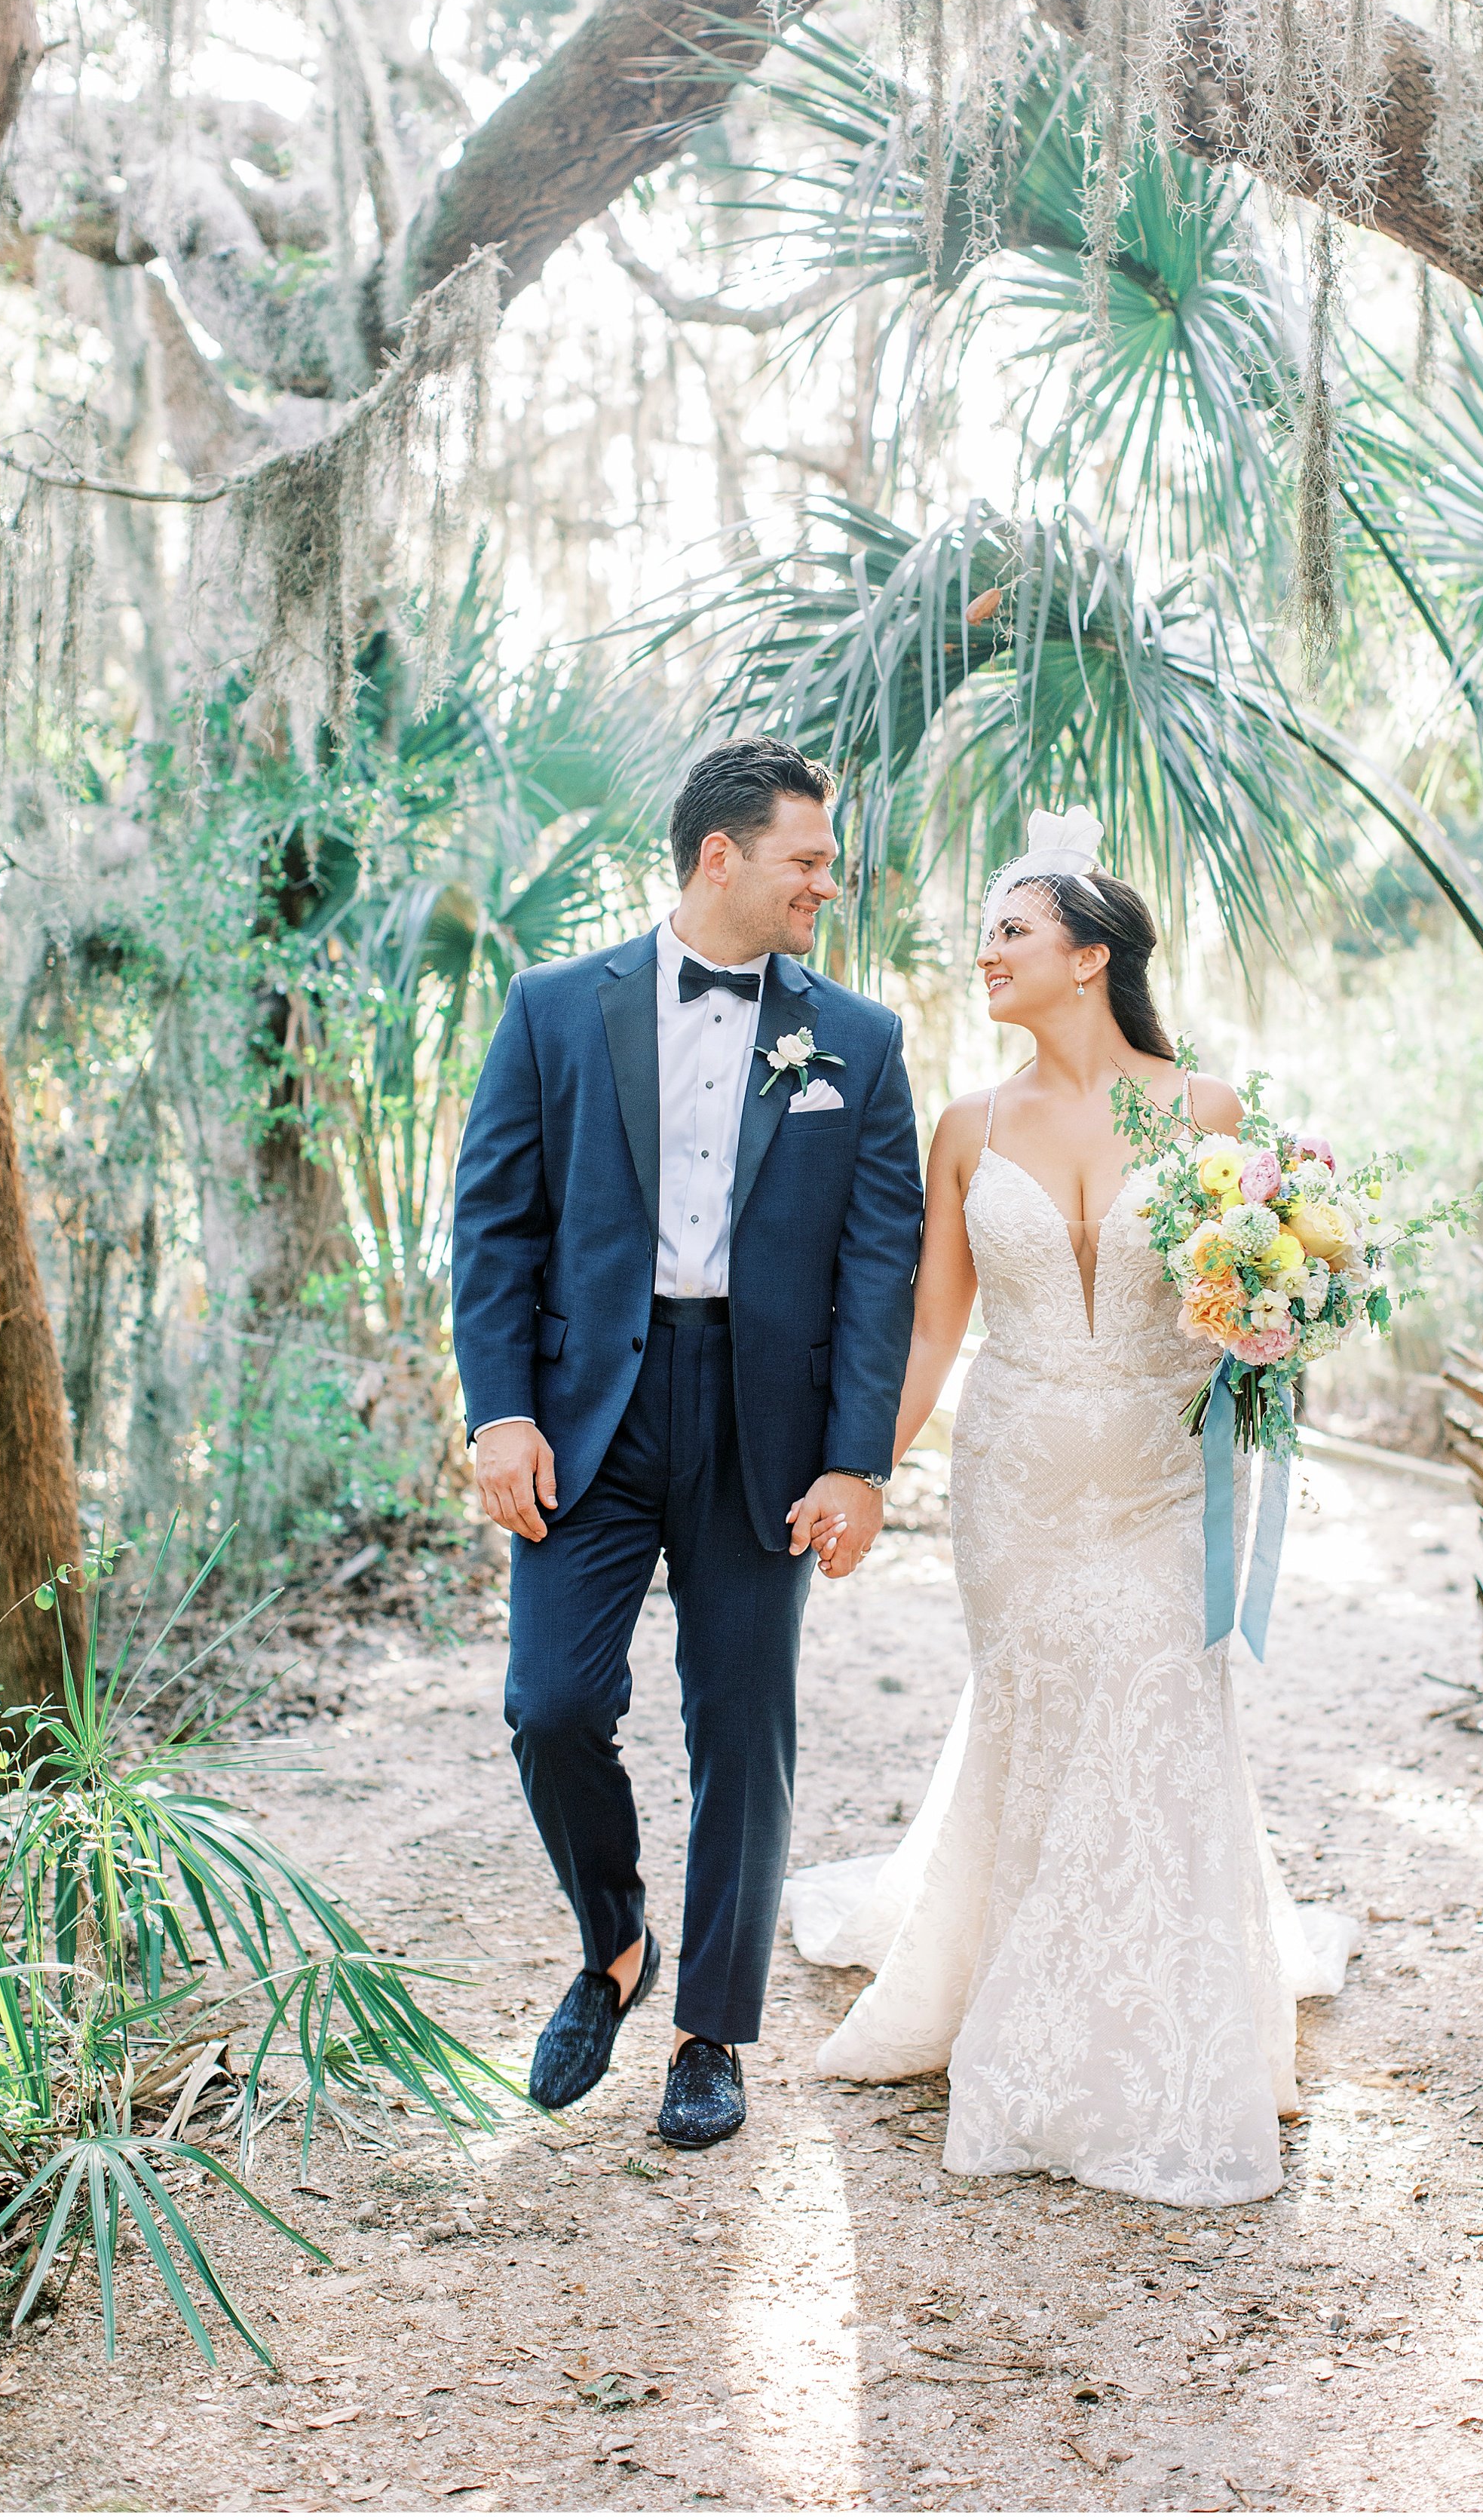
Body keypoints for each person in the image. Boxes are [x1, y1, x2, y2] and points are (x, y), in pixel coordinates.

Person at [786, 809, 1358, 2206]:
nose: (984, 955)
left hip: (1168, 1482)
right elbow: (931, 1334)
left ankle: (1153, 2026)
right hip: (1019, 1483)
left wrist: (1282, 1312)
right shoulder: (969, 1129)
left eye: (1011, 931)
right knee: (1045, 1725)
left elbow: (1261, 1306)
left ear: (1088, 956)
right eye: (987, 934)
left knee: (1161, 1715)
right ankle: (1024, 1983)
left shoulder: (1212, 1115)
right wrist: (863, 1470)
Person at [452, 738, 924, 2148]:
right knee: (550, 1707)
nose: (825, 886)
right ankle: (614, 1943)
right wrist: (500, 1410)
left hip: (763, 1425)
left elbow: (880, 1262)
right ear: (720, 858)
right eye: (806, 861)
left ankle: (710, 2027)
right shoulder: (550, 1009)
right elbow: (494, 1227)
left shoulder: (863, 1039)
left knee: (741, 1722)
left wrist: (859, 1459)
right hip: (587, 1413)